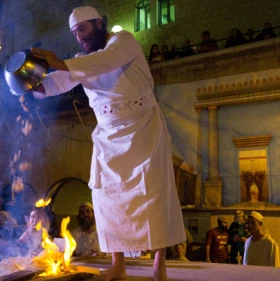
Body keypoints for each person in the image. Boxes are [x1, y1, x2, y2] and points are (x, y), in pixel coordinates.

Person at [28, 6, 186, 281]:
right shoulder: (81, 61)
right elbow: (54, 83)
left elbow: (105, 61)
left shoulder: (122, 41)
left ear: (99, 24)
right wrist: (30, 82)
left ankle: (159, 267)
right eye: (75, 33)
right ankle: (118, 265)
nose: (80, 37)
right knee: (107, 198)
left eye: (83, 29)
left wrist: (60, 62)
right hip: (108, 135)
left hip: (143, 128)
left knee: (154, 195)